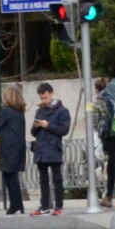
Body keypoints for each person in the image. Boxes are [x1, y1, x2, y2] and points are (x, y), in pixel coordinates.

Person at [29, 81, 71, 213]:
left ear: (52, 93)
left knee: (57, 178)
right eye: (42, 98)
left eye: (46, 97)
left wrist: (48, 126)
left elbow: (64, 130)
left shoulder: (62, 111)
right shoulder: (39, 111)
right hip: (41, 148)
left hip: (53, 148)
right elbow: (33, 132)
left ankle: (59, 206)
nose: (44, 100)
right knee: (43, 179)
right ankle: (45, 205)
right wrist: (36, 126)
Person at [0, 86, 29, 215]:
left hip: (8, 148)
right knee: (14, 177)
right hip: (18, 148)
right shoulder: (20, 112)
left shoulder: (6, 111)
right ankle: (17, 204)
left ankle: (16, 204)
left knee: (8, 177)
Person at [92, 75, 115, 201]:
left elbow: (95, 122)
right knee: (111, 167)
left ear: (97, 89)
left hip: (110, 138)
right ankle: (108, 196)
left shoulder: (98, 102)